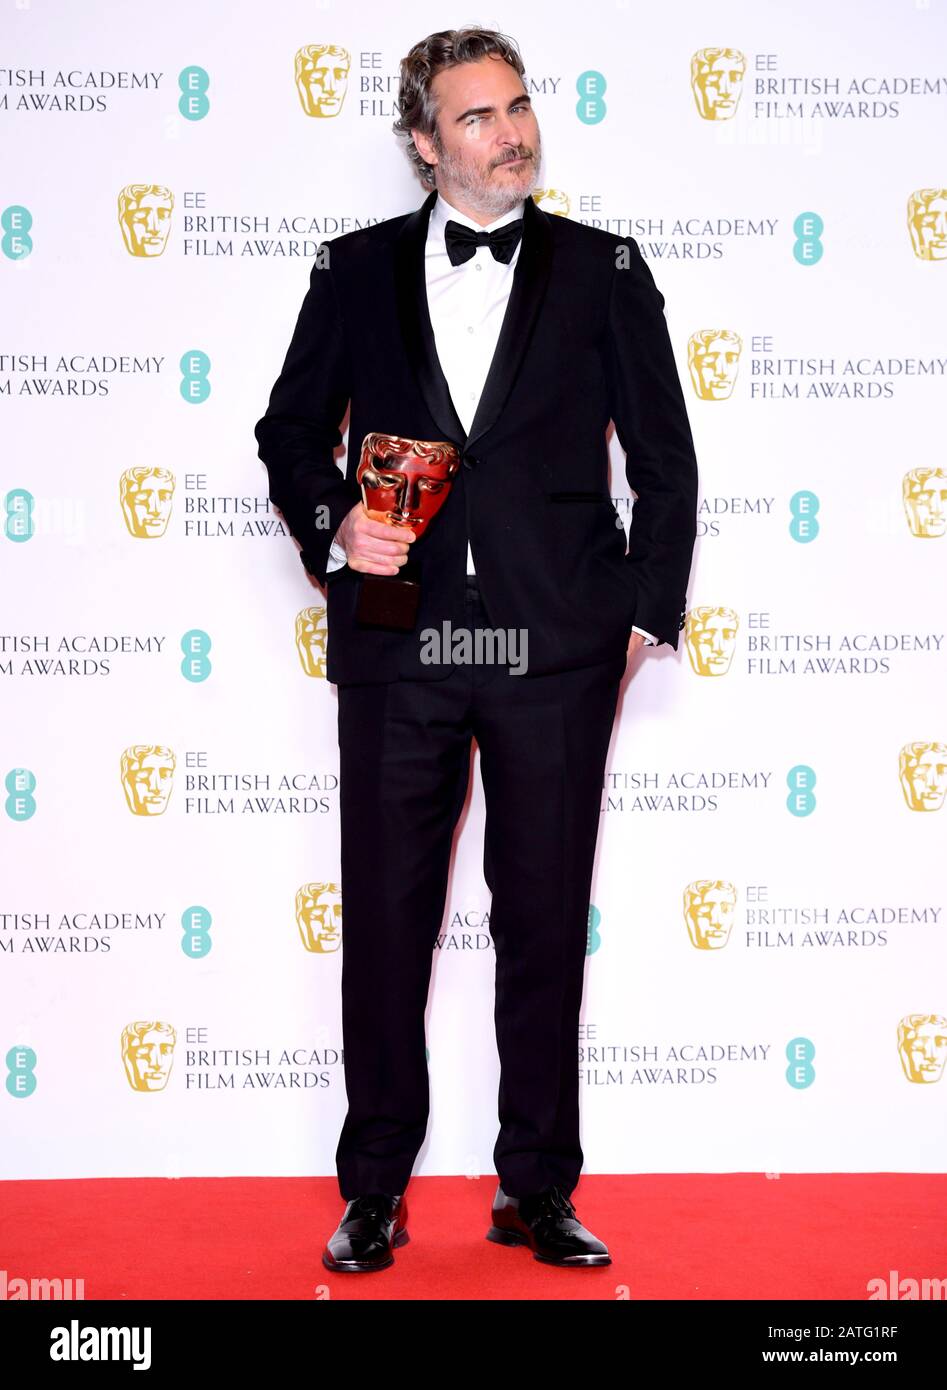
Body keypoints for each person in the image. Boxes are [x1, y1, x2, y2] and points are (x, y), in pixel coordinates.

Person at [254, 24, 698, 1273]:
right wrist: (335, 528)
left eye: (517, 107)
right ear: (422, 143)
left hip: (553, 650)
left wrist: (635, 616)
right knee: (387, 922)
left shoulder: (604, 269)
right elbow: (288, 431)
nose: (509, 134)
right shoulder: (353, 271)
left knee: (543, 922)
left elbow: (664, 461)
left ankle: (535, 1189)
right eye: (475, 117)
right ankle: (374, 1191)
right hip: (398, 647)